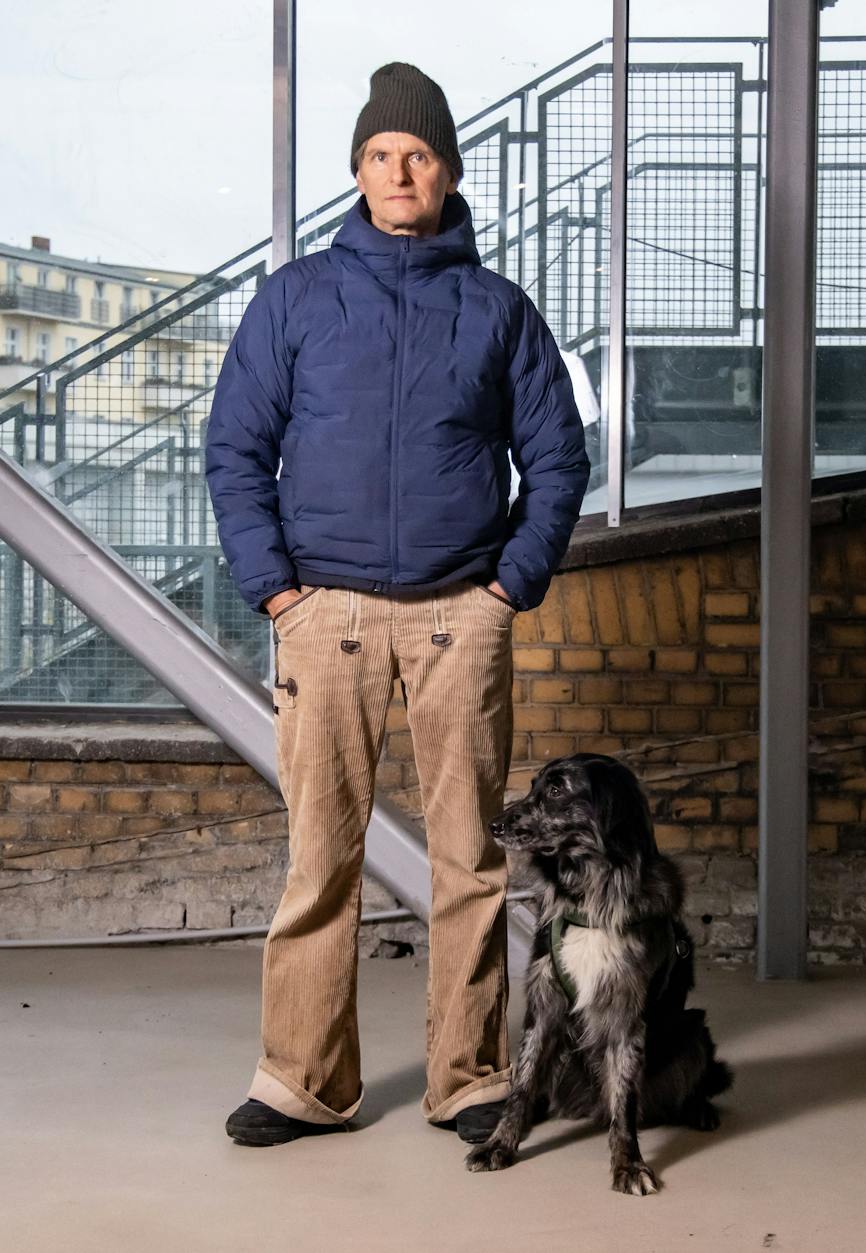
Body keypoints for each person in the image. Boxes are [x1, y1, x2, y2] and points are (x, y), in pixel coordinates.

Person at [204, 61, 591, 1147]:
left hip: (452, 616)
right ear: (358, 174)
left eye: (415, 155)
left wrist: (507, 587)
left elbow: (556, 459)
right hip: (320, 613)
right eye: (378, 156)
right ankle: (300, 1078)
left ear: (448, 170)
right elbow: (234, 446)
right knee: (318, 852)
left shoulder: (496, 310)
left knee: (467, 855)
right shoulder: (297, 299)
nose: (397, 172)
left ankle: (466, 1074)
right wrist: (274, 587)